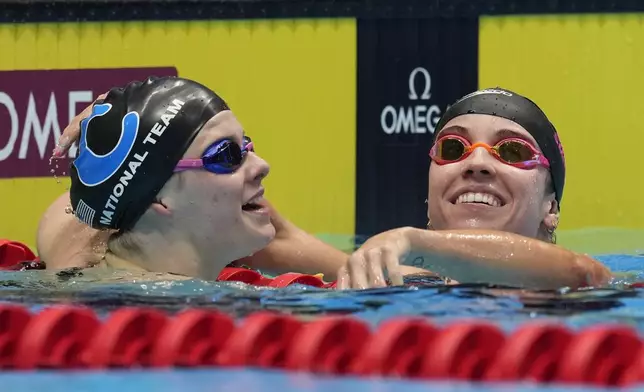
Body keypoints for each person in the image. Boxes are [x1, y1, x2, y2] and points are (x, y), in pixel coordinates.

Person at [42, 76, 424, 282]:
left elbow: (82, 205)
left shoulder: (77, 255)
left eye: (248, 147)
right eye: (226, 155)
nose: (262, 165)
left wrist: (106, 147)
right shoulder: (198, 318)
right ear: (159, 199)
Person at [337, 88, 612, 290]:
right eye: (454, 147)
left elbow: (583, 274)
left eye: (512, 151)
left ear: (550, 207)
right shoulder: (400, 282)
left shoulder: (586, 284)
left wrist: (415, 243)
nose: (477, 162)